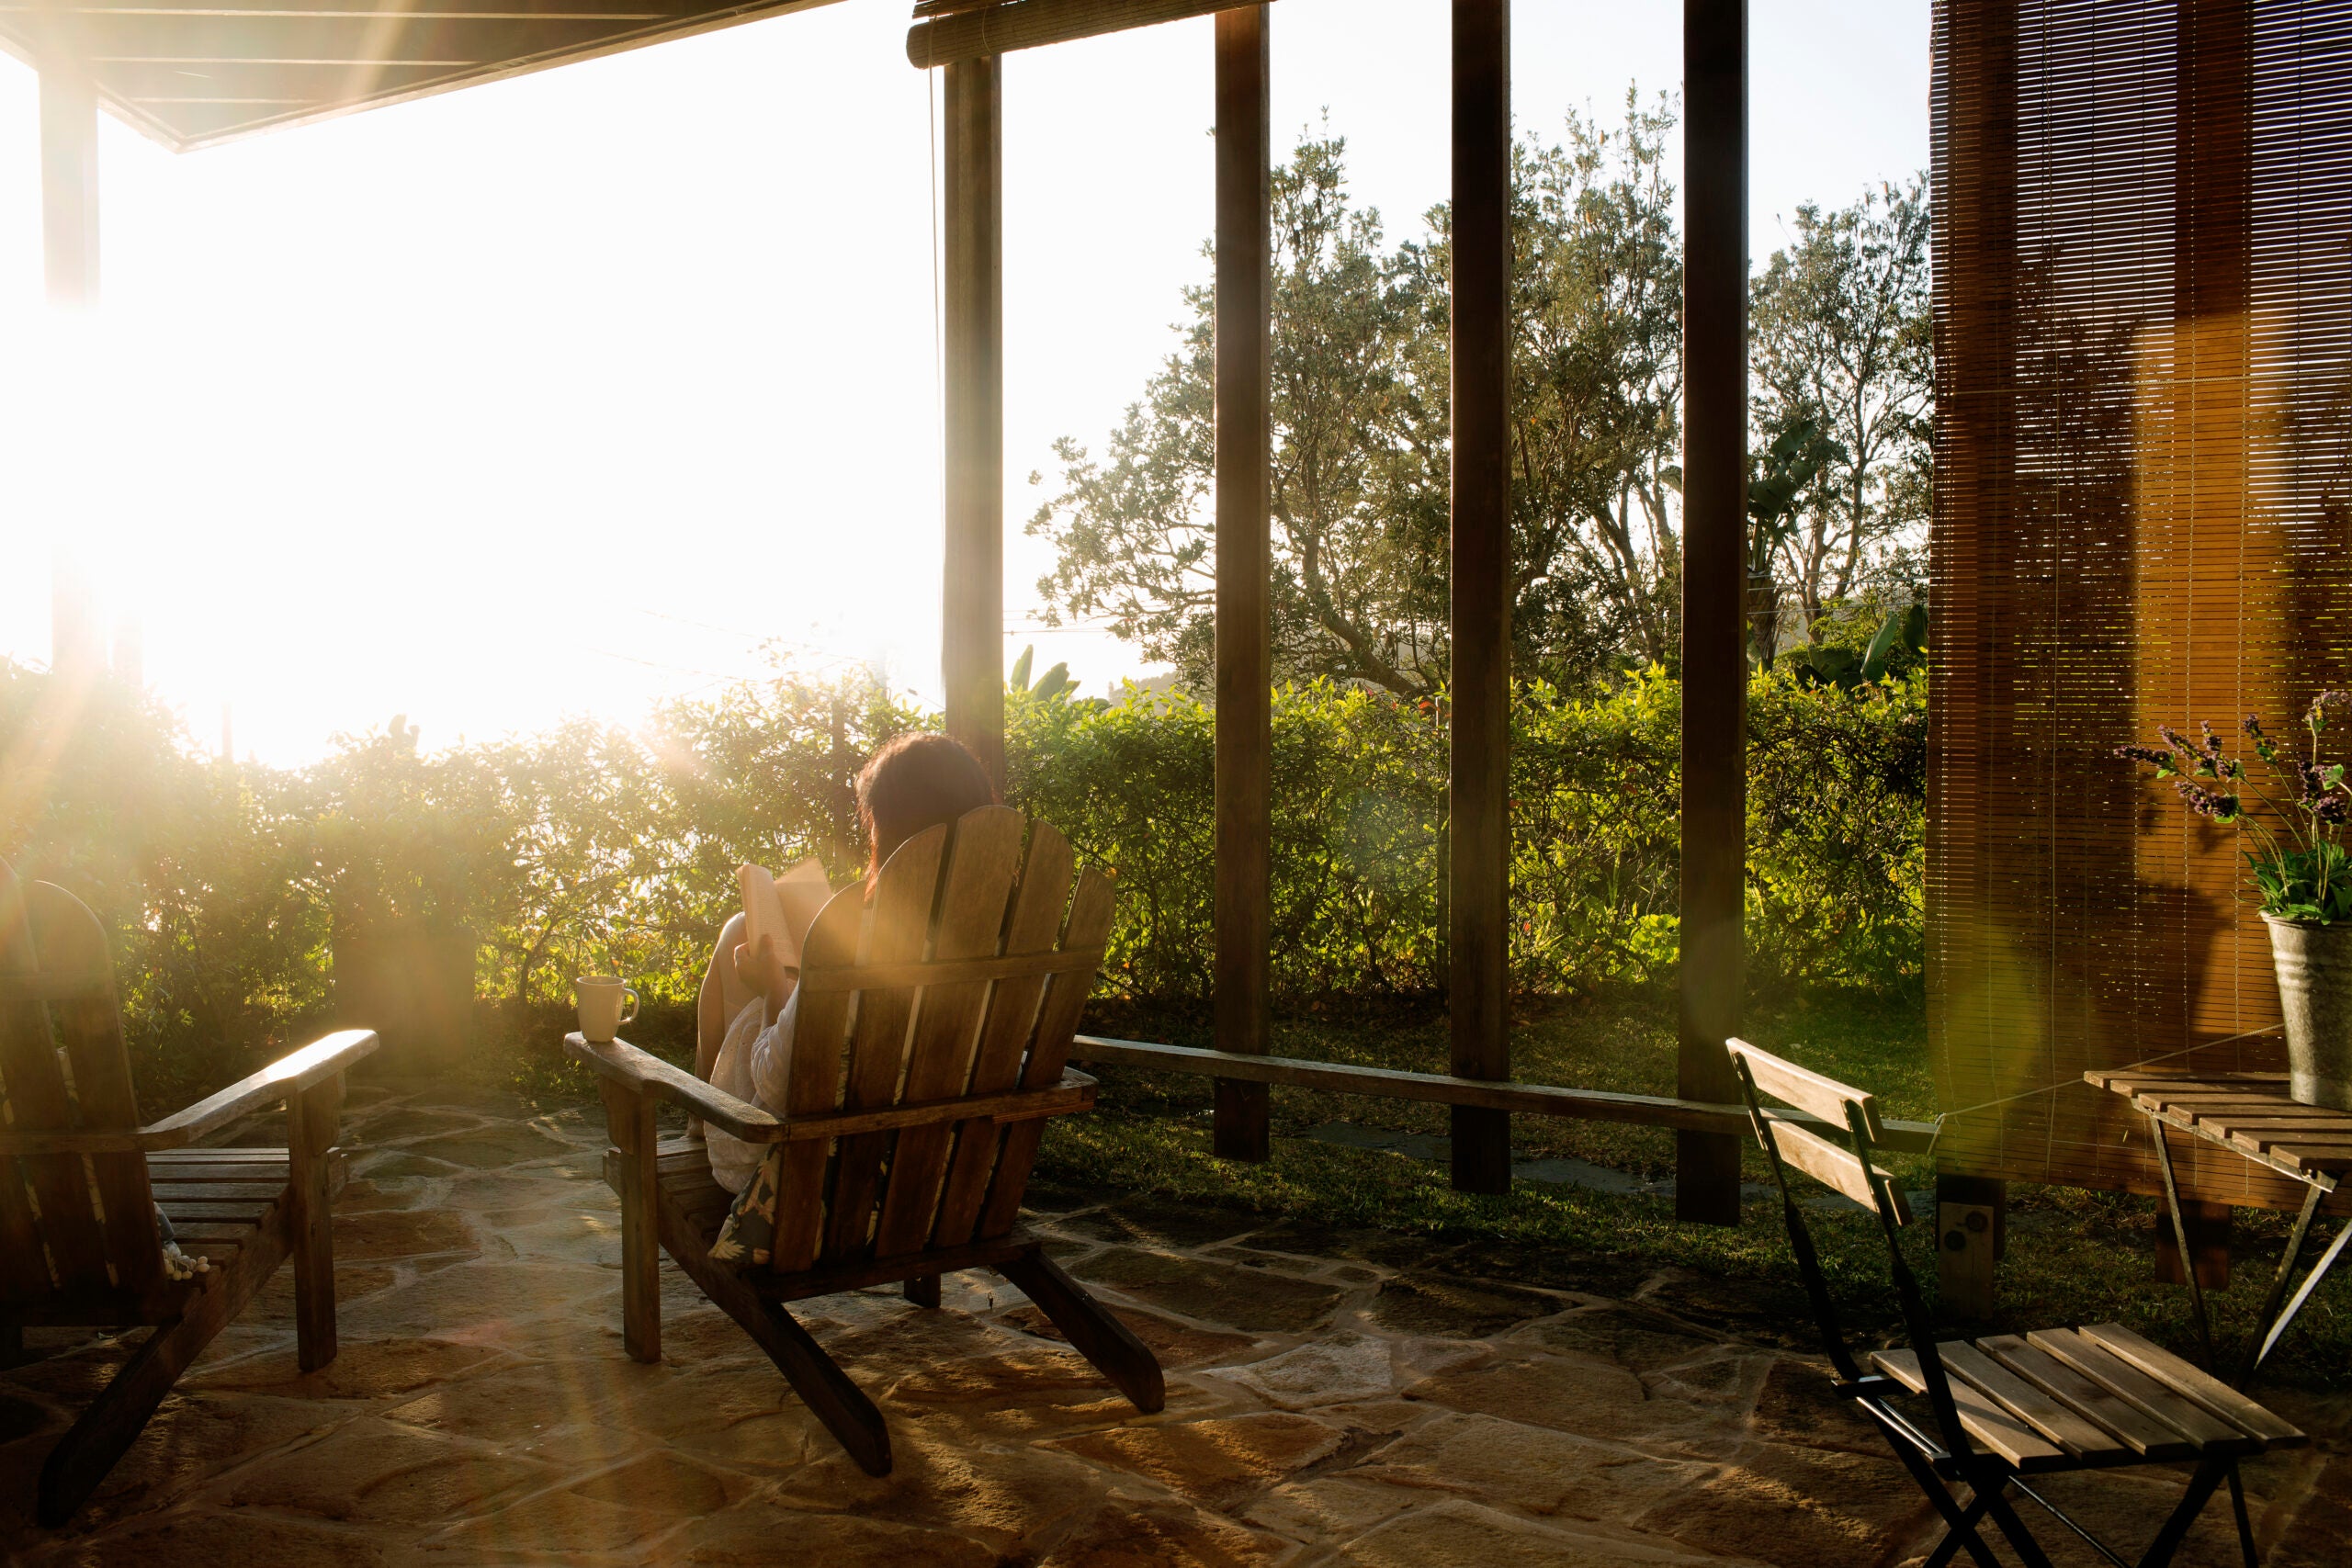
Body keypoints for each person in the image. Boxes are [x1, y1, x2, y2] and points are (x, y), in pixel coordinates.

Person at [697, 731, 997, 1195]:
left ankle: (697, 1118)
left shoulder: (862, 941)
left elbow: (777, 1083)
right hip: (949, 1185)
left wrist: (774, 988)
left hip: (815, 1183)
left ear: (886, 828)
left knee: (740, 939)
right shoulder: (1007, 935)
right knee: (744, 937)